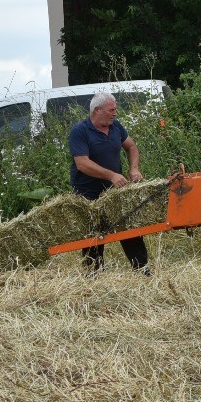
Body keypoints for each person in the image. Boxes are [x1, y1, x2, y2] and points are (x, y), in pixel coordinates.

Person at [68, 91, 150, 273]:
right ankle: (94, 276)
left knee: (128, 228)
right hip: (88, 194)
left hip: (114, 190)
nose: (115, 113)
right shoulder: (80, 131)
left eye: (115, 109)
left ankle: (143, 270)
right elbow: (82, 163)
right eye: (111, 110)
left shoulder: (116, 127)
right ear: (97, 110)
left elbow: (131, 146)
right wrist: (111, 175)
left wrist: (134, 169)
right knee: (93, 235)